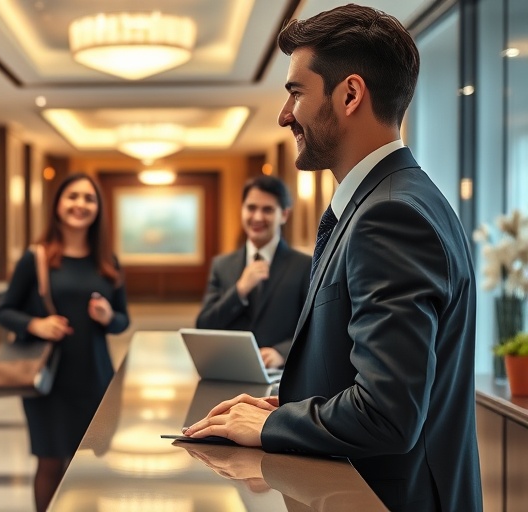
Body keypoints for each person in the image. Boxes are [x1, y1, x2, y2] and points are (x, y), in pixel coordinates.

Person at [182, 5, 481, 511]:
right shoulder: (390, 201)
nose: (284, 115)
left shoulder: (391, 216)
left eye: (295, 92)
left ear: (349, 95)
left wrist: (273, 425)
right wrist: (291, 407)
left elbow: (389, 413)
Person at [0, 172, 130, 512]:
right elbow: (5, 311)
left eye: (88, 198)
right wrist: (36, 324)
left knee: (88, 463)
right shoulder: (36, 258)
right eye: (72, 197)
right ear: (57, 205)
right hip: (48, 383)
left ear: (98, 208)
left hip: (95, 377)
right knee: (51, 462)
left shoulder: (108, 261)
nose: (80, 205)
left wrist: (106, 316)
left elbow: (123, 320)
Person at [195, 175, 310, 368]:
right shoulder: (221, 265)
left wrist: (282, 352)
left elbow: (315, 329)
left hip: (281, 377)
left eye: (267, 210)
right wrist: (239, 291)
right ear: (242, 210)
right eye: (251, 208)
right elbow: (204, 325)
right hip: (229, 370)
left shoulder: (306, 265)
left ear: (284, 215)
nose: (257, 217)